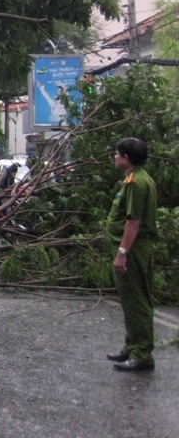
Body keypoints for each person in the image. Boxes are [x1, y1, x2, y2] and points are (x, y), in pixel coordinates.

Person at [105, 137, 158, 372]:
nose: (114, 157)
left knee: (136, 301)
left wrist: (122, 253)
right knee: (130, 300)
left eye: (117, 154)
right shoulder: (135, 178)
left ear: (126, 158)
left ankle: (142, 354)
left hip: (133, 250)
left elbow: (133, 222)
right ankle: (132, 346)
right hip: (135, 248)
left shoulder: (136, 183)